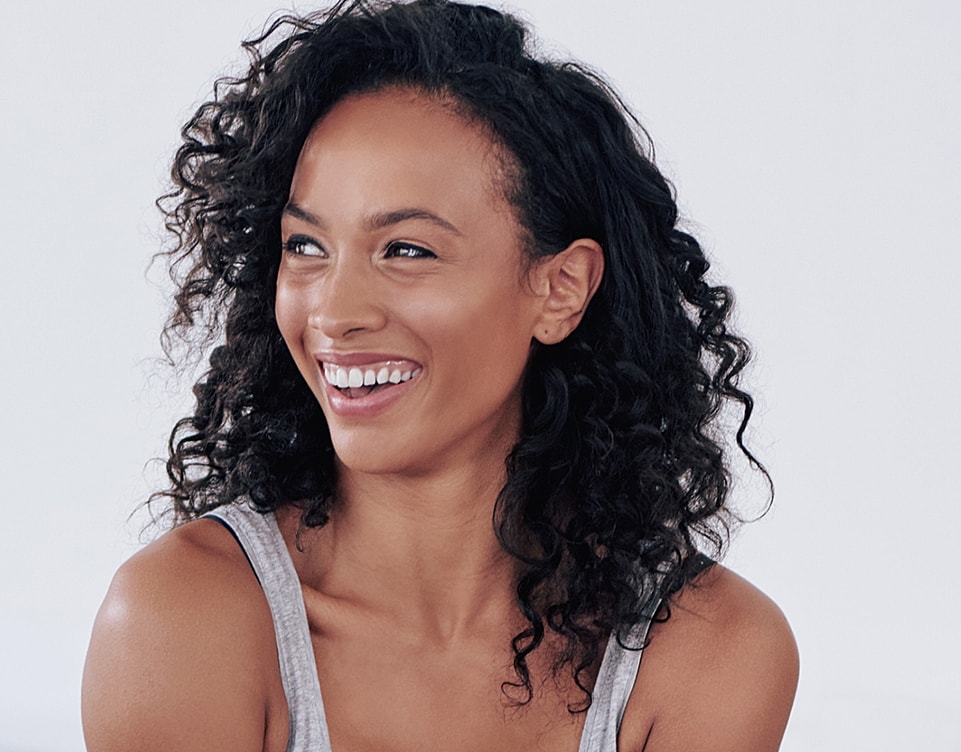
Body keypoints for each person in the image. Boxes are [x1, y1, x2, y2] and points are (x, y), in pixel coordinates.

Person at [81, 1, 798, 749]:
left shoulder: (708, 651)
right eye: (304, 245)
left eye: (406, 250)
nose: (334, 310)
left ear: (559, 290)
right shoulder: (185, 621)